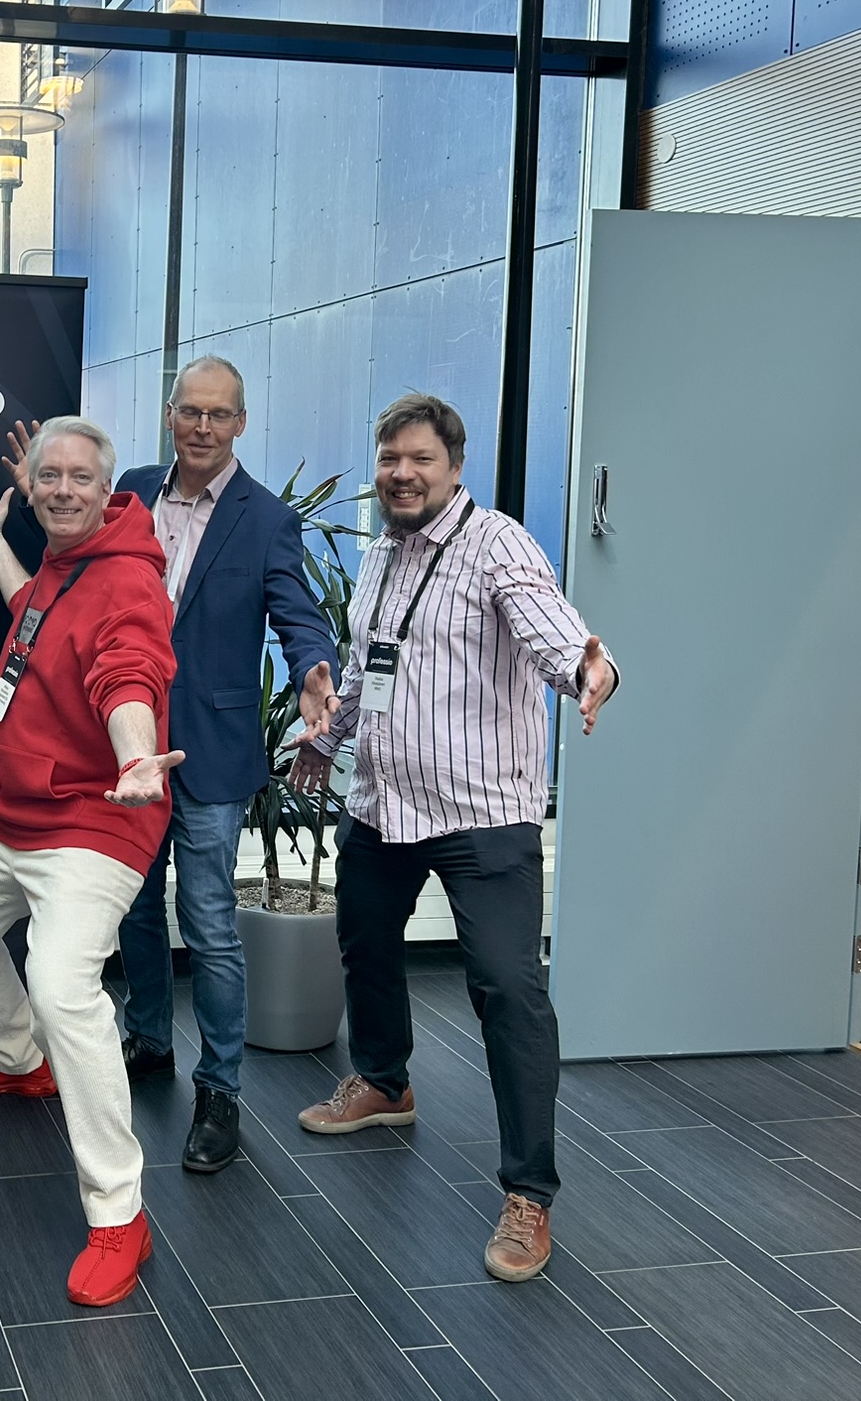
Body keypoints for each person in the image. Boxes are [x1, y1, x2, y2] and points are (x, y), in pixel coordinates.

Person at [292, 393, 617, 1282]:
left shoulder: (498, 544)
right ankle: (386, 1082)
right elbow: (369, 671)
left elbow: (555, 632)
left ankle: (529, 1195)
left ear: (455, 466)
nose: (402, 473)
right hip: (386, 804)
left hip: (482, 815)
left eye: (420, 460)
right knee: (364, 942)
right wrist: (324, 741)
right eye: (391, 458)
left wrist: (591, 667)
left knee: (509, 991)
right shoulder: (383, 558)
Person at [0, 416, 180, 1308]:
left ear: (107, 491)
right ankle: (19, 1056)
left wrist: (136, 751)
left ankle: (120, 1215)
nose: (64, 489)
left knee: (65, 987)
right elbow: (36, 615)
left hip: (99, 817)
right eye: (49, 476)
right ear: (29, 487)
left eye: (80, 477)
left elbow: (128, 670)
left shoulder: (129, 581)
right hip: (19, 807)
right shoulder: (63, 571)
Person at [110, 355, 338, 1172]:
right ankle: (145, 1038)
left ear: (241, 423)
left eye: (219, 414)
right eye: (189, 411)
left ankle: (220, 1091)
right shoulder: (129, 490)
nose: (202, 427)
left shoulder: (267, 518)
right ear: (169, 415)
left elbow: (299, 616)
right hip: (129, 746)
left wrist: (314, 669)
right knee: (132, 908)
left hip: (210, 750)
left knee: (207, 922)